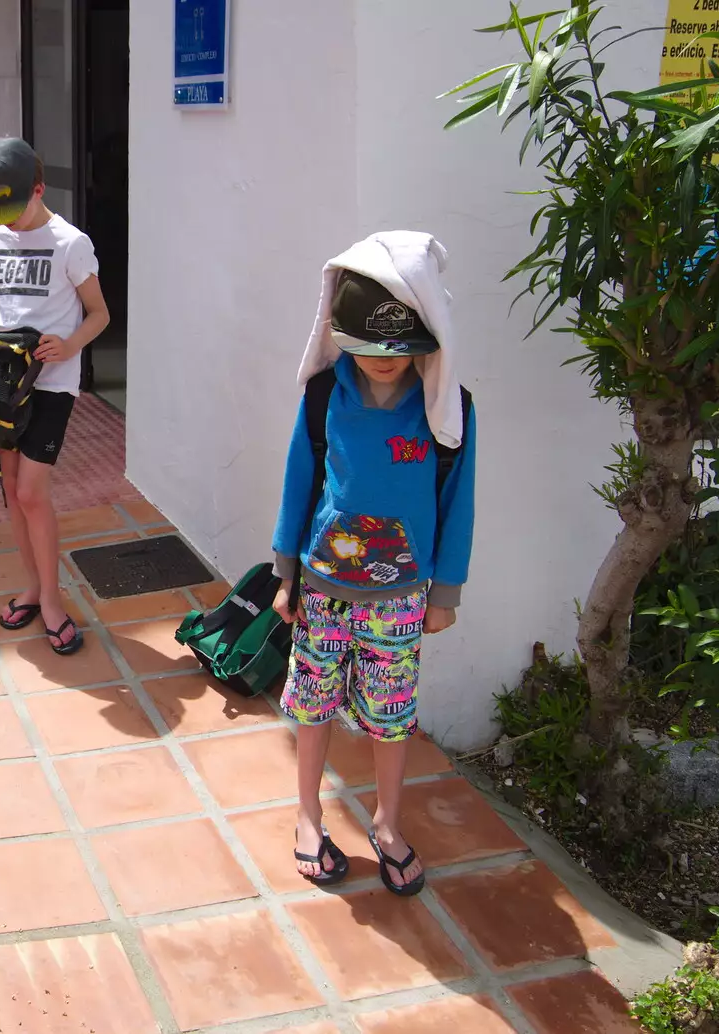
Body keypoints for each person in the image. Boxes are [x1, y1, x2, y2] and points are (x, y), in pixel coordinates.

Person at [270, 232, 477, 896]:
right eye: (367, 347)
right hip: (323, 587)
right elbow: (299, 482)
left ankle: (387, 824)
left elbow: (458, 499)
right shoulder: (325, 396)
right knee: (313, 703)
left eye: (399, 349)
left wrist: (445, 592)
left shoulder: (447, 408)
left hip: (401, 597)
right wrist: (285, 575)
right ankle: (308, 816)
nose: (383, 364)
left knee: (391, 716)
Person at [0, 138, 110, 655]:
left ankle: (53, 600)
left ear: (38, 190)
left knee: (31, 494)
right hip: (3, 383)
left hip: (52, 384)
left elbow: (100, 314)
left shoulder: (71, 243)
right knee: (12, 492)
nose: (8, 222)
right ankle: (33, 587)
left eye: (12, 208)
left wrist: (69, 346)